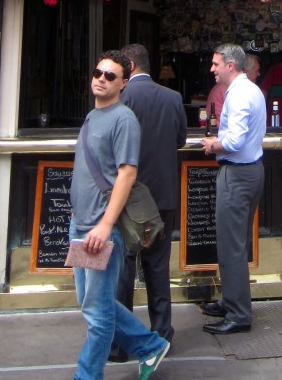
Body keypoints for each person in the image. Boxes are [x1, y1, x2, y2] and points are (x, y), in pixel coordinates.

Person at [69, 50, 170, 380]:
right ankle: (150, 346)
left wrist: (106, 224)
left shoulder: (124, 119)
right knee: (91, 303)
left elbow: (127, 173)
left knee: (97, 314)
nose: (101, 79)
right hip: (81, 224)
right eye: (98, 72)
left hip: (100, 228)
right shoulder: (92, 116)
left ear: (124, 83)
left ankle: (87, 376)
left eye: (110, 76)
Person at [108, 43, 187, 362]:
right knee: (157, 266)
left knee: (124, 269)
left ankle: (121, 342)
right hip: (164, 195)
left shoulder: (120, 97)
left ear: (128, 65)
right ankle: (162, 335)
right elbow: (180, 140)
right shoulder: (172, 97)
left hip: (128, 198)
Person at [200, 43, 266, 334]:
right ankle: (230, 300)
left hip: (237, 174)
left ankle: (238, 314)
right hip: (251, 172)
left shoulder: (239, 95)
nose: (212, 68)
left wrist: (212, 144)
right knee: (236, 242)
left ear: (230, 65)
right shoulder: (250, 89)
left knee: (231, 246)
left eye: (215, 63)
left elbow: (235, 142)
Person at [205, 53, 261, 123]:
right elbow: (217, 124)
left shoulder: (252, 90)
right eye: (257, 71)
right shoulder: (222, 89)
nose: (259, 74)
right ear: (245, 71)